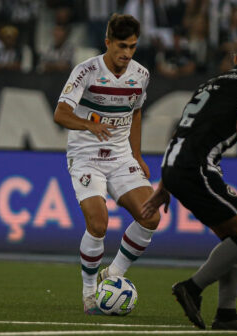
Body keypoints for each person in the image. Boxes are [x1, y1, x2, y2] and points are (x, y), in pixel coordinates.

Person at [142, 37, 237, 330]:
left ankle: (226, 315)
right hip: (196, 168)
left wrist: (166, 185)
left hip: (176, 165)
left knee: (233, 243)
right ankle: (191, 288)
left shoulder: (209, 85)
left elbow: (184, 132)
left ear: (234, 57)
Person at [53, 13, 160, 315]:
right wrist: (89, 125)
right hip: (86, 157)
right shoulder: (86, 71)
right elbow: (60, 114)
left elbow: (136, 112)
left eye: (133, 47)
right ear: (108, 43)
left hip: (120, 157)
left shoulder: (140, 74)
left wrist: (137, 155)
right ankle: (89, 295)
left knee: (151, 217)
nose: (127, 54)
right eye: (122, 46)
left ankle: (112, 276)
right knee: (98, 224)